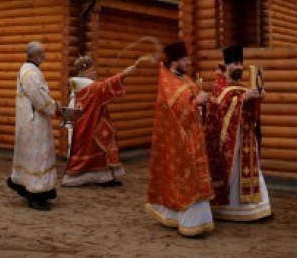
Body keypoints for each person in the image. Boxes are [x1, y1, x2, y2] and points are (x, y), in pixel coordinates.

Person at [146, 41, 215, 237]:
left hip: (193, 135)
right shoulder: (167, 82)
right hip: (177, 139)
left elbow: (191, 98)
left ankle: (197, 221)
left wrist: (202, 101)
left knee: (195, 174)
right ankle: (186, 222)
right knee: (185, 175)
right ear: (175, 62)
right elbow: (174, 111)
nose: (188, 62)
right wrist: (195, 102)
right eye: (184, 59)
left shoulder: (184, 78)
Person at [203, 46, 272, 222]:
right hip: (231, 142)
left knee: (253, 169)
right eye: (235, 64)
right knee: (234, 174)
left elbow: (246, 108)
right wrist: (244, 98)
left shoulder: (238, 86)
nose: (239, 67)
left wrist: (256, 97)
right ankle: (231, 210)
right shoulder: (220, 85)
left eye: (241, 63)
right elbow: (221, 106)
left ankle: (259, 208)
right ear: (226, 66)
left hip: (246, 137)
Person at [61, 55, 135, 187]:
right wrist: (124, 74)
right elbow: (105, 86)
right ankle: (81, 177)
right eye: (92, 70)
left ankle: (104, 177)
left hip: (94, 122)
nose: (95, 73)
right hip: (88, 124)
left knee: (100, 147)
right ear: (86, 72)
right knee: (91, 148)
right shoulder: (89, 87)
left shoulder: (83, 87)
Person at [7, 42, 59, 210]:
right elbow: (39, 97)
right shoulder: (29, 72)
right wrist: (54, 107)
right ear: (35, 55)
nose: (44, 56)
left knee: (37, 157)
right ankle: (34, 195)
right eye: (42, 53)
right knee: (36, 158)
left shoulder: (31, 70)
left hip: (36, 119)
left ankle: (41, 193)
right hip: (34, 120)